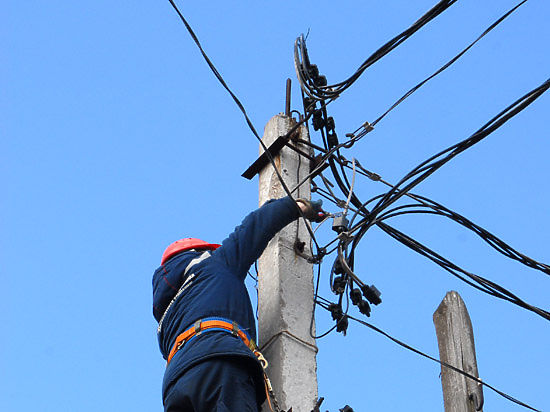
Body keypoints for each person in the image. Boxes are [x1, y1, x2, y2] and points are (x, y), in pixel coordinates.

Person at [152, 196, 324, 412]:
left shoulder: (166, 319)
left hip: (175, 384)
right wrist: (296, 206)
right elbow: (253, 228)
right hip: (219, 362)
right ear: (199, 252)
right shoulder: (214, 265)